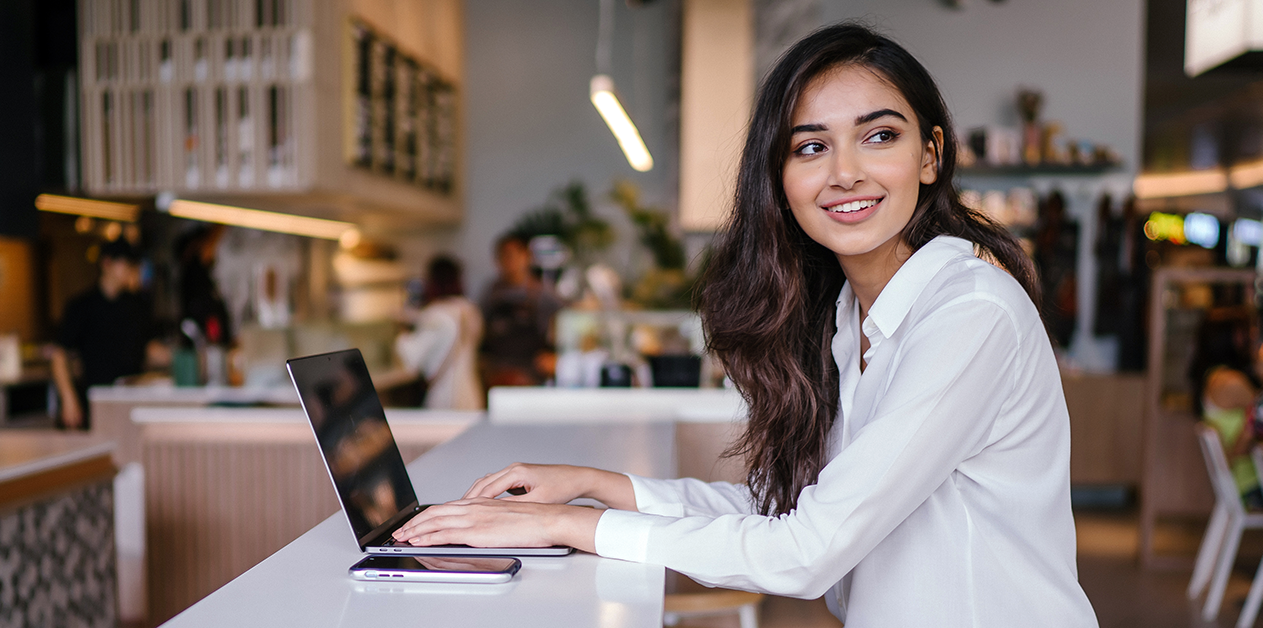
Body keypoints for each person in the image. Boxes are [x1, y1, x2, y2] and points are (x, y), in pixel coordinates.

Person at [392, 23, 1097, 627]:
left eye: (878, 136)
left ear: (929, 155)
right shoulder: (855, 314)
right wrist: (595, 484)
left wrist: (565, 525)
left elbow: (807, 551)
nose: (844, 173)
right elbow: (791, 510)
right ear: (780, 178)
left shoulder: (968, 314)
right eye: (810, 147)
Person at [52, 239, 163, 430]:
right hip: (96, 404)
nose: (129, 270)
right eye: (125, 264)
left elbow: (150, 349)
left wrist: (185, 360)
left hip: (133, 403)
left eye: (132, 266)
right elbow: (59, 354)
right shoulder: (82, 306)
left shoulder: (137, 306)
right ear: (106, 264)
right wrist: (68, 398)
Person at [1189, 307, 1263, 507]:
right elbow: (1260, 411)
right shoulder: (1229, 382)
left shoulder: (1213, 377)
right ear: (1235, 337)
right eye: (1248, 330)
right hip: (1252, 485)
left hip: (1244, 482)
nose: (1254, 335)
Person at [395, 256, 485, 410]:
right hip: (471, 394)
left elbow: (411, 359)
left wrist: (401, 332)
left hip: (446, 398)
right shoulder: (470, 310)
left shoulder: (435, 314)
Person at [478, 234, 562, 387]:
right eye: (503, 256)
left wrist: (554, 356)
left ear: (526, 257)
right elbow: (481, 333)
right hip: (497, 373)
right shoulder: (491, 294)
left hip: (531, 374)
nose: (508, 261)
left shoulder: (543, 293)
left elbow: (564, 326)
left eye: (512, 255)